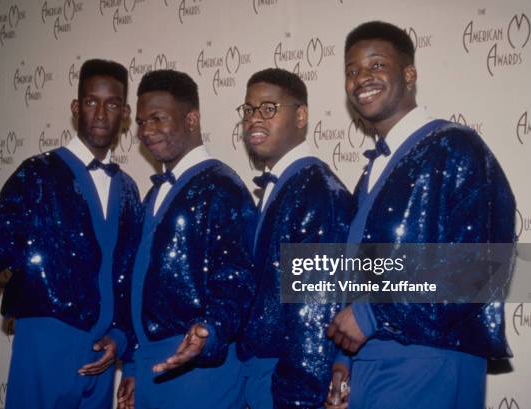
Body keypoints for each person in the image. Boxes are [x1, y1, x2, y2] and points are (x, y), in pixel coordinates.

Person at [326, 21, 516, 409]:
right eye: (351, 70)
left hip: (432, 359)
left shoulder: (456, 147)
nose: (362, 77)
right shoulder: (374, 169)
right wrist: (345, 358)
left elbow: (479, 266)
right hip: (373, 362)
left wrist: (371, 314)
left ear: (409, 74)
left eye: (376, 64)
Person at [0, 59, 142, 409]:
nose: (100, 113)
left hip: (102, 350)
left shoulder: (128, 189)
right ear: (75, 107)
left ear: (124, 113)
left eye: (111, 104)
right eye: (91, 102)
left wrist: (122, 336)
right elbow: (6, 230)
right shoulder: (39, 172)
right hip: (46, 338)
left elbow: (128, 272)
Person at [116, 69, 256, 409]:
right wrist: (134, 364)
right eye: (141, 121)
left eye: (158, 119)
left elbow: (237, 279)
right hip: (153, 366)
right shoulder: (152, 194)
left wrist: (209, 332)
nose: (147, 131)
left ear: (191, 119)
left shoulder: (222, 186)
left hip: (200, 371)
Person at [235, 68, 353, 409]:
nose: (255, 119)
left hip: (289, 384)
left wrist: (298, 397)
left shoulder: (317, 191)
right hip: (260, 376)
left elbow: (315, 313)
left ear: (300, 116)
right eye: (249, 109)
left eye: (269, 108)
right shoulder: (286, 184)